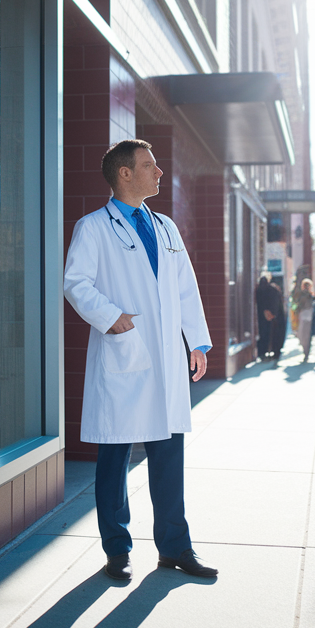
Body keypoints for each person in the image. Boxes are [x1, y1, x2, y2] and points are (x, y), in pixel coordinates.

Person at [64, 139, 218, 582]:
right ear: (125, 174)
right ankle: (117, 551)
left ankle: (175, 547)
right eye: (150, 165)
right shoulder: (93, 227)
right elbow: (75, 283)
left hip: (167, 361)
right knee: (114, 462)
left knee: (170, 458)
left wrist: (198, 342)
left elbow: (185, 287)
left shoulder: (166, 227)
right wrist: (111, 319)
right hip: (125, 355)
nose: (160, 172)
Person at [255, 274, 278, 360]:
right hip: (269, 316)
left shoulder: (259, 290)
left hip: (261, 316)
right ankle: (269, 351)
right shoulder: (271, 290)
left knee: (262, 334)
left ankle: (262, 352)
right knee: (269, 334)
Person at [293, 278, 315, 361]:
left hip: (305, 315)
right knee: (306, 334)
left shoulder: (308, 295)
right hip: (306, 315)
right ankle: (306, 350)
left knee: (304, 334)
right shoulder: (308, 295)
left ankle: (306, 350)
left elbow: (297, 305)